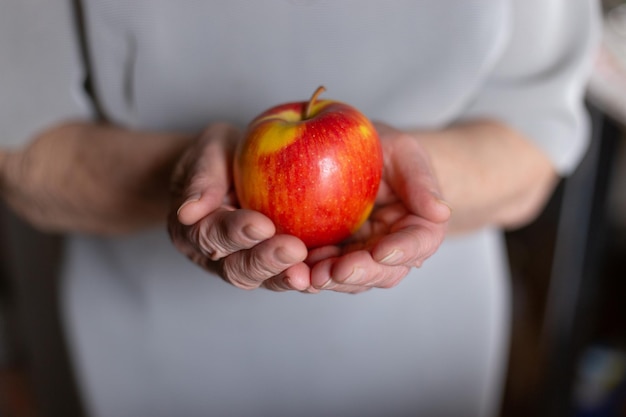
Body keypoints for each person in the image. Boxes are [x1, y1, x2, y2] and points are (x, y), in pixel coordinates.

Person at [0, 1, 599, 416]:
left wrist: (408, 183)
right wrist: (184, 178)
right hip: (146, 343)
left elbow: (533, 140)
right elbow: (23, 149)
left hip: (421, 347)